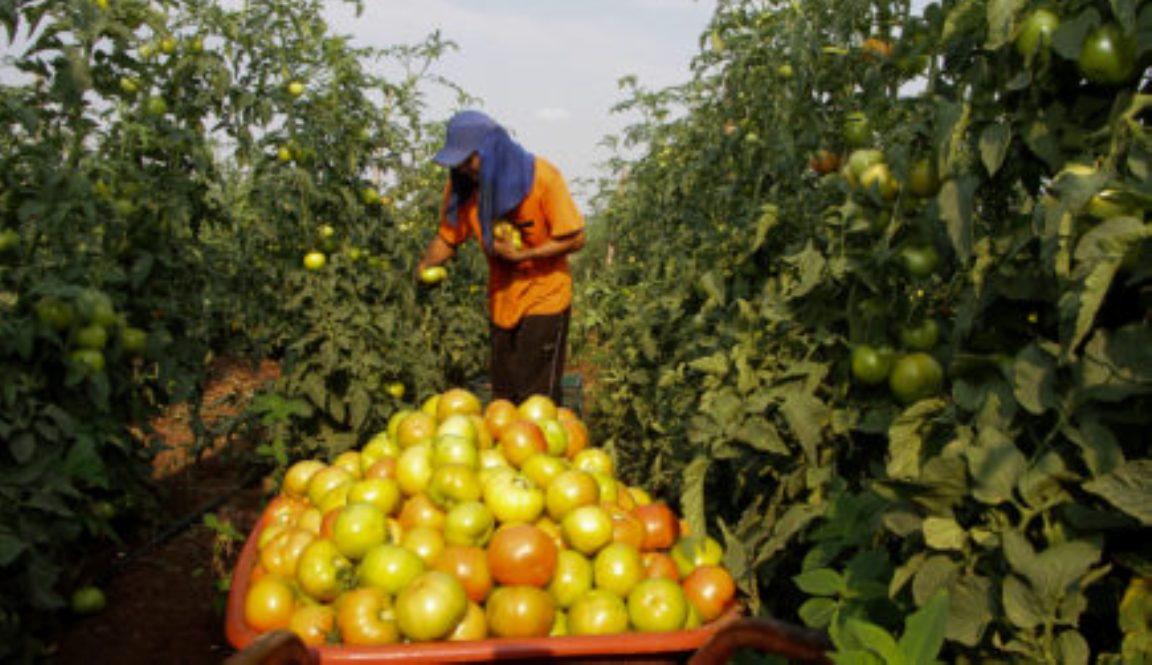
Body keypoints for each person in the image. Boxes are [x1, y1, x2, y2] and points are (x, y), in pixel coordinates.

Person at [416, 110, 585, 406]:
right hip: (502, 299)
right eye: (457, 163)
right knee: (504, 398)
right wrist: (425, 268)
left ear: (490, 151)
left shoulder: (543, 178)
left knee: (535, 399)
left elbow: (576, 238)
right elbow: (448, 237)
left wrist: (525, 254)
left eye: (469, 160)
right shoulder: (463, 188)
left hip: (545, 296)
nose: (464, 169)